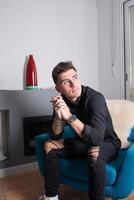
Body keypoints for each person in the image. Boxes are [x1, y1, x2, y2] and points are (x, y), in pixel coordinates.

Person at [39, 61, 121, 200]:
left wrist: (69, 117)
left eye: (75, 77)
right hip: (83, 142)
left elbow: (96, 139)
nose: (73, 84)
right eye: (66, 82)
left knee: (94, 153)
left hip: (108, 142)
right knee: (49, 145)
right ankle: (51, 196)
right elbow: (55, 134)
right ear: (58, 88)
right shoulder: (62, 101)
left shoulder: (95, 98)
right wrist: (59, 117)